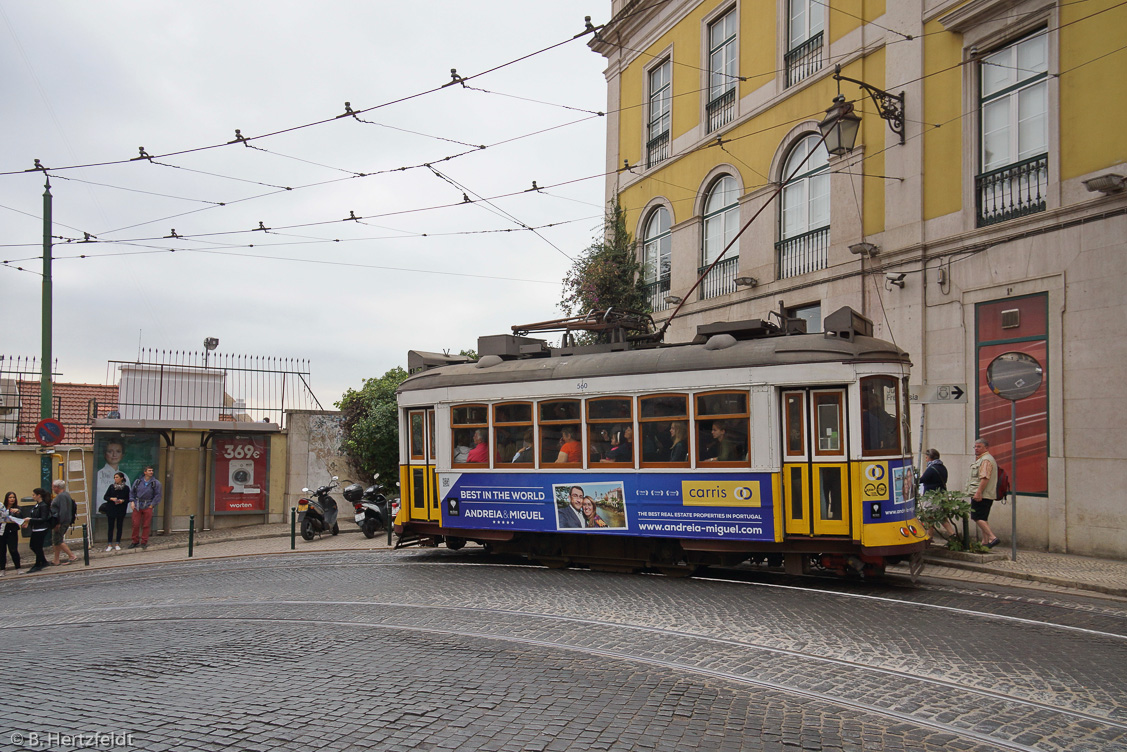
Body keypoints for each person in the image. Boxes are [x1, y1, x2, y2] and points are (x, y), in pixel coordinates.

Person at [966, 438, 1001, 548]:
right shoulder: (983, 459)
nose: (976, 449)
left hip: (982, 494)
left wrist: (978, 492)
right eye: (975, 446)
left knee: (977, 517)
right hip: (985, 494)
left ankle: (992, 538)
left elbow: (985, 477)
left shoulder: (985, 460)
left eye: (979, 446)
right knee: (983, 518)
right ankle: (985, 542)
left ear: (986, 448)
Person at [129, 465, 162, 549]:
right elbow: (132, 492)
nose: (151, 472)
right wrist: (132, 502)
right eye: (149, 470)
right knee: (135, 524)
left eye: (152, 471)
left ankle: (144, 541)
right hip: (138, 504)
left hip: (148, 505)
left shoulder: (156, 483)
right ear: (145, 472)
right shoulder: (138, 482)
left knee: (146, 524)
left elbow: (158, 495)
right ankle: (135, 541)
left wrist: (152, 505)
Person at [50, 479, 78, 566]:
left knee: (58, 540)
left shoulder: (61, 496)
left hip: (61, 522)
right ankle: (56, 560)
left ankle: (71, 555)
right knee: (56, 540)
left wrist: (58, 522)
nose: (52, 489)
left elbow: (63, 510)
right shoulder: (65, 495)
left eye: (53, 487)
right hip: (65, 520)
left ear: (57, 487)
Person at [95, 438, 129, 506]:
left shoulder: (125, 476)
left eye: (118, 451)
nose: (114, 455)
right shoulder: (99, 475)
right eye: (110, 451)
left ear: (122, 455)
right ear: (105, 454)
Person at [103, 472, 130, 552]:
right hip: (111, 509)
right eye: (115, 477)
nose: (115, 479)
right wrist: (111, 499)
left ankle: (117, 543)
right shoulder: (111, 487)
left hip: (121, 509)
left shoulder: (126, 488)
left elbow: (128, 499)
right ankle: (109, 544)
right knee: (110, 527)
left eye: (117, 477)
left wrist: (122, 500)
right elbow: (105, 497)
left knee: (119, 526)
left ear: (121, 478)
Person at [26, 488, 51, 573]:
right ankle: (43, 561)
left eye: (34, 495)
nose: (33, 496)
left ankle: (38, 564)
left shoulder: (43, 505)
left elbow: (43, 519)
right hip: (35, 528)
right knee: (33, 546)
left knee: (37, 546)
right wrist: (29, 522)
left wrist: (30, 519)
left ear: (38, 495)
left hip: (41, 529)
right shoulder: (37, 505)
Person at [1, 491, 27, 574]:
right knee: (2, 551)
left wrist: (17, 512)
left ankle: (18, 568)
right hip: (2, 531)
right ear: (6, 499)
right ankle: (2, 569)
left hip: (12, 531)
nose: (12, 499)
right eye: (10, 497)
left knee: (13, 550)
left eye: (13, 497)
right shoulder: (3, 507)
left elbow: (20, 519)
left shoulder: (17, 508)